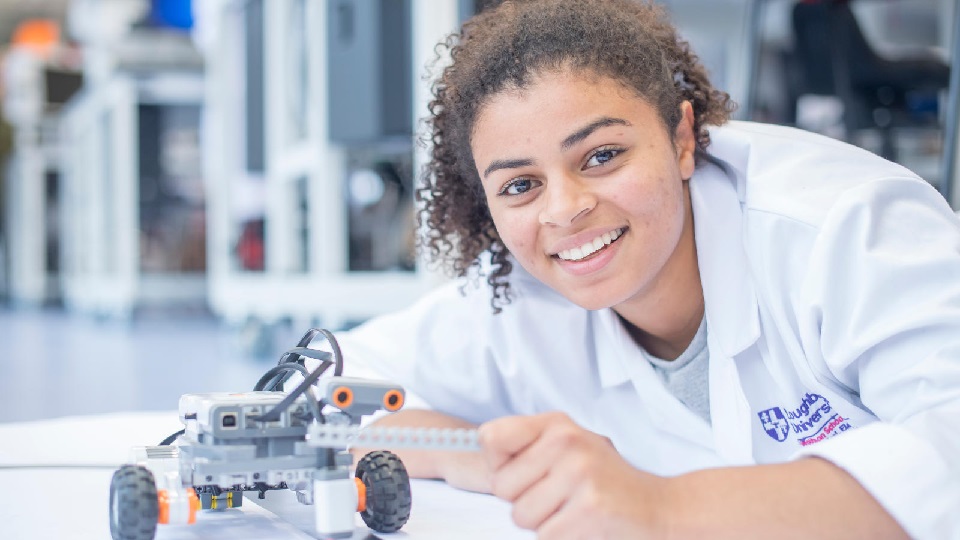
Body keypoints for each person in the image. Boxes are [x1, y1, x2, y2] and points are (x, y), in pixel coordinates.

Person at [326, 0, 960, 537]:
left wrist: (659, 508)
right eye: (520, 185)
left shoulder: (845, 228)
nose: (565, 210)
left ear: (681, 138)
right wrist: (478, 457)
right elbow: (321, 394)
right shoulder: (517, 298)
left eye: (602, 155)